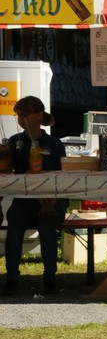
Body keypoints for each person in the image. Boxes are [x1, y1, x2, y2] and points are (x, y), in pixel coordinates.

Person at [4, 96, 67, 296]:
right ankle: (12, 279)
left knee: (47, 226)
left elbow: (63, 178)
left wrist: (51, 202)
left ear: (39, 115)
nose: (20, 119)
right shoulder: (15, 141)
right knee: (14, 225)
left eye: (24, 114)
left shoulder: (55, 144)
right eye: (18, 115)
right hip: (24, 200)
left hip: (53, 200)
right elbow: (11, 174)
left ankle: (50, 279)